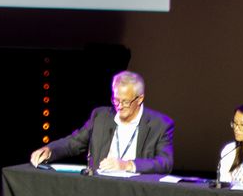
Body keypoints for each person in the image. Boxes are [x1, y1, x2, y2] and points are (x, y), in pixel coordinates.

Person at [30, 70, 174, 173]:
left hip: (136, 192)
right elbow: (74, 142)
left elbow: (165, 162)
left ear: (140, 99)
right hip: (99, 187)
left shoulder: (160, 124)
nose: (119, 106)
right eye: (116, 100)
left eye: (125, 102)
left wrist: (127, 165)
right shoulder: (100, 116)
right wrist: (50, 150)